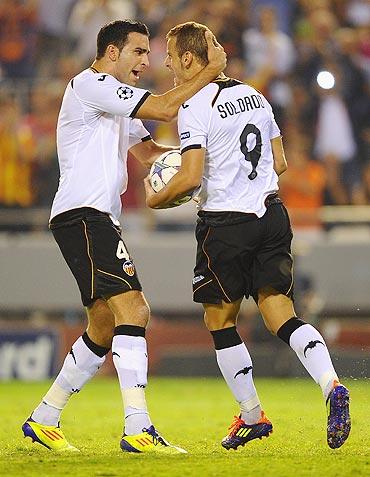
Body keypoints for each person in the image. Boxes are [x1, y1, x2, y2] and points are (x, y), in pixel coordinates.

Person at [22, 19, 226, 454]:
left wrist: (204, 164)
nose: (146, 62)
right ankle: (138, 427)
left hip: (94, 217)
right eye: (138, 52)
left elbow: (150, 153)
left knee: (104, 322)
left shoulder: (116, 105)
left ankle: (45, 417)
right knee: (135, 309)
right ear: (111, 52)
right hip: (84, 213)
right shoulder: (90, 85)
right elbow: (167, 107)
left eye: (149, 54)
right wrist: (211, 71)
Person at [144, 21, 351, 450]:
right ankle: (331, 385)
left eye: (169, 54)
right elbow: (280, 162)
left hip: (227, 226)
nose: (164, 61)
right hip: (272, 214)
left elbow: (190, 176)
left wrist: (158, 198)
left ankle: (253, 415)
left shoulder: (194, 107)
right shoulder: (253, 94)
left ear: (187, 58)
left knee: (219, 320)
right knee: (281, 313)